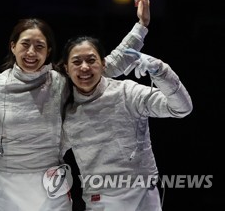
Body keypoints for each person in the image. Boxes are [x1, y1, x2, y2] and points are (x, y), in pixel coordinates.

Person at [0, 0, 151, 210]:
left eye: (39, 46)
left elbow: (106, 66)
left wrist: (141, 26)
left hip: (50, 186)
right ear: (13, 46)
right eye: (25, 44)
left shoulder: (60, 81)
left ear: (49, 51)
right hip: (7, 185)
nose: (31, 52)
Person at [57, 38, 192, 211]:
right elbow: (48, 156)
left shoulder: (128, 93)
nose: (84, 67)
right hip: (101, 200)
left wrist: (161, 72)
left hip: (144, 195)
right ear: (67, 69)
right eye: (76, 62)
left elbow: (182, 108)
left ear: (103, 64)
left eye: (91, 60)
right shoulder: (67, 115)